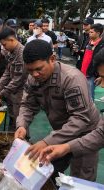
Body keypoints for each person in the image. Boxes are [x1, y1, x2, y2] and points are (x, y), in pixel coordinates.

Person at [15, 39, 102, 182]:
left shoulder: (71, 79)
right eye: (30, 70)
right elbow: (27, 105)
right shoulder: (33, 79)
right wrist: (22, 125)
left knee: (81, 178)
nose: (35, 74)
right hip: (62, 131)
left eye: (39, 69)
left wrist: (47, 141)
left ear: (52, 59)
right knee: (44, 169)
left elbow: (80, 119)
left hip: (86, 133)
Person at [0, 28, 28, 131]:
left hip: (21, 91)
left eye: (4, 44)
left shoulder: (21, 53)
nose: (3, 47)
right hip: (12, 91)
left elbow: (18, 79)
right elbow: (7, 73)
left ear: (12, 40)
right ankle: (13, 138)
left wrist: (1, 95)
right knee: (13, 116)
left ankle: (24, 141)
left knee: (20, 120)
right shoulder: (11, 52)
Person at [80, 23, 104, 101]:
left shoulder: (102, 45)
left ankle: (91, 112)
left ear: (98, 33)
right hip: (83, 72)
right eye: (89, 32)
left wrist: (99, 75)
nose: (89, 33)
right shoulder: (89, 41)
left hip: (92, 74)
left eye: (91, 32)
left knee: (90, 96)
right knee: (82, 94)